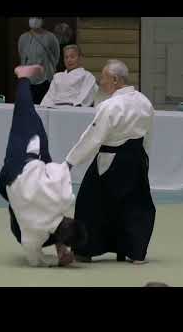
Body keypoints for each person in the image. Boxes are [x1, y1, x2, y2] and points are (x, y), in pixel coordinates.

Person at [65, 59, 156, 264]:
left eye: (104, 78)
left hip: (110, 160)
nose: (101, 82)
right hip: (136, 159)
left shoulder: (110, 105)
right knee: (135, 205)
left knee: (89, 203)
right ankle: (135, 252)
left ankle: (84, 250)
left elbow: (94, 137)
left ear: (115, 80)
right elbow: (148, 135)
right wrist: (145, 160)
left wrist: (70, 162)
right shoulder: (145, 102)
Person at [0, 64, 87, 267]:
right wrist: (49, 264)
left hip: (23, 161)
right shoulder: (35, 234)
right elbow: (33, 259)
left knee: (25, 113)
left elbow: (60, 169)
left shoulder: (64, 199)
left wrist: (68, 165)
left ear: (71, 219)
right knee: (24, 220)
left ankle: (23, 77)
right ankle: (60, 247)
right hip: (9, 184)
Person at [18, 17, 60, 104]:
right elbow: (22, 56)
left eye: (37, 17)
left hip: (45, 80)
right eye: (32, 17)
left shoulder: (50, 37)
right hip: (28, 81)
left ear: (42, 20)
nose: (34, 20)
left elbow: (56, 56)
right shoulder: (23, 38)